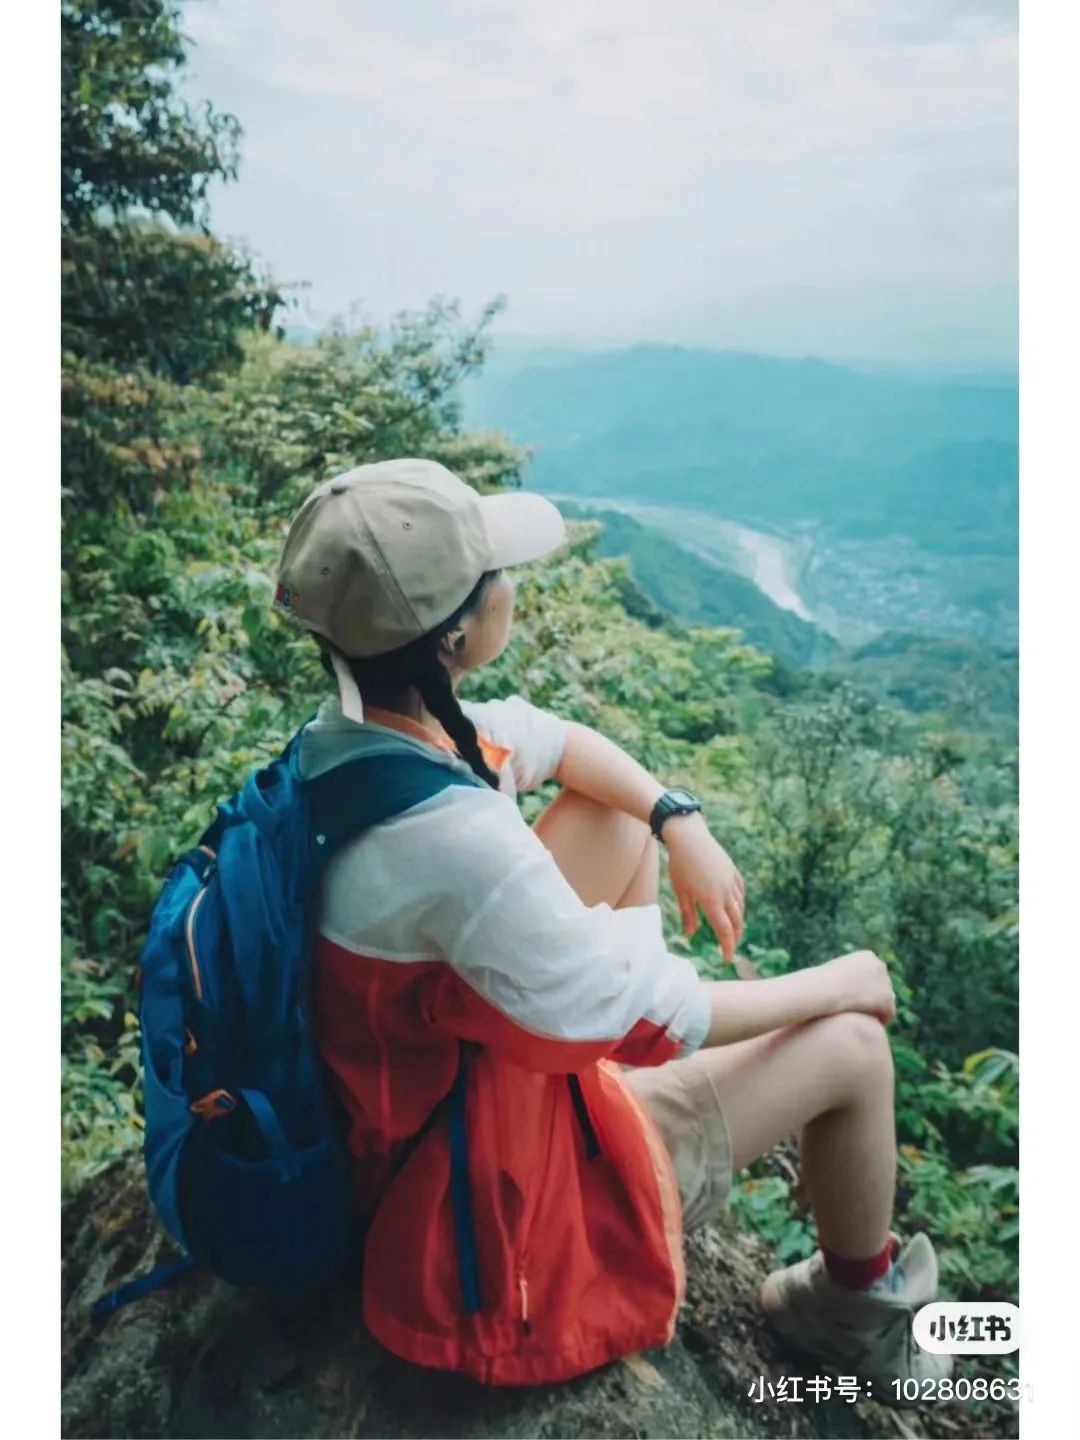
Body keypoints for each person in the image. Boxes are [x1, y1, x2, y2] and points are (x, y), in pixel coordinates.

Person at [274, 457, 951, 1389]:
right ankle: (849, 1314)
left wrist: (676, 818)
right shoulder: (458, 843)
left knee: (617, 816)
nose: (511, 586)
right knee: (855, 1047)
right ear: (455, 632)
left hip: (412, 1110)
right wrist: (847, 982)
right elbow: (648, 1013)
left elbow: (556, 742)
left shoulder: (350, 746)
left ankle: (626, 1099)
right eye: (495, 574)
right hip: (486, 1205)